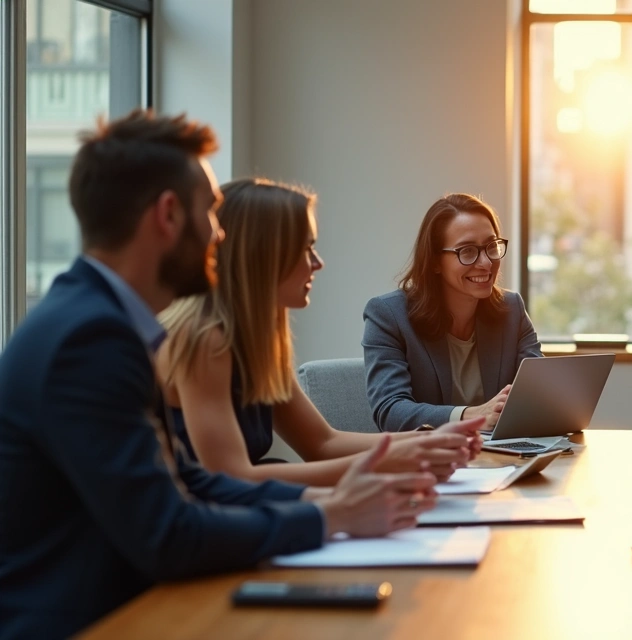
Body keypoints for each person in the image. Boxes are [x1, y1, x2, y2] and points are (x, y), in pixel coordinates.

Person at [0, 111, 434, 638]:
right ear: (168, 214)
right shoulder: (90, 341)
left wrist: (333, 502)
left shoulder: (99, 321)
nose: (220, 233)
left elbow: (193, 482)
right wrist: (331, 517)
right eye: (211, 212)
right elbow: (168, 534)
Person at [157, 178, 482, 487]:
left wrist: (427, 440)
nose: (318, 262)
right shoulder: (205, 339)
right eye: (306, 248)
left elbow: (323, 443)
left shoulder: (256, 340)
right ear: (265, 256)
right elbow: (233, 479)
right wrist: (397, 460)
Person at [364, 193, 542, 432]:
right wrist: (471, 416)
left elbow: (541, 397)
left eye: (491, 246)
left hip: (503, 459)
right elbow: (390, 411)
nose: (487, 263)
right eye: (467, 251)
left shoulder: (512, 309)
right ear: (435, 261)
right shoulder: (388, 316)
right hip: (430, 462)